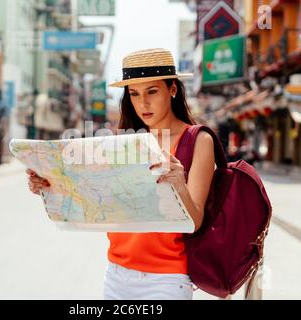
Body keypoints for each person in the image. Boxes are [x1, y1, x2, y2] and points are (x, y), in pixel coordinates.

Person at [26, 48, 215, 300]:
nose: (143, 103)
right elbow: (94, 197)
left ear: (172, 89)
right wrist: (49, 183)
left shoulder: (198, 140)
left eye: (152, 91)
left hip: (166, 279)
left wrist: (179, 184)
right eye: (134, 94)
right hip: (116, 274)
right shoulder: (125, 142)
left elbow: (197, 222)